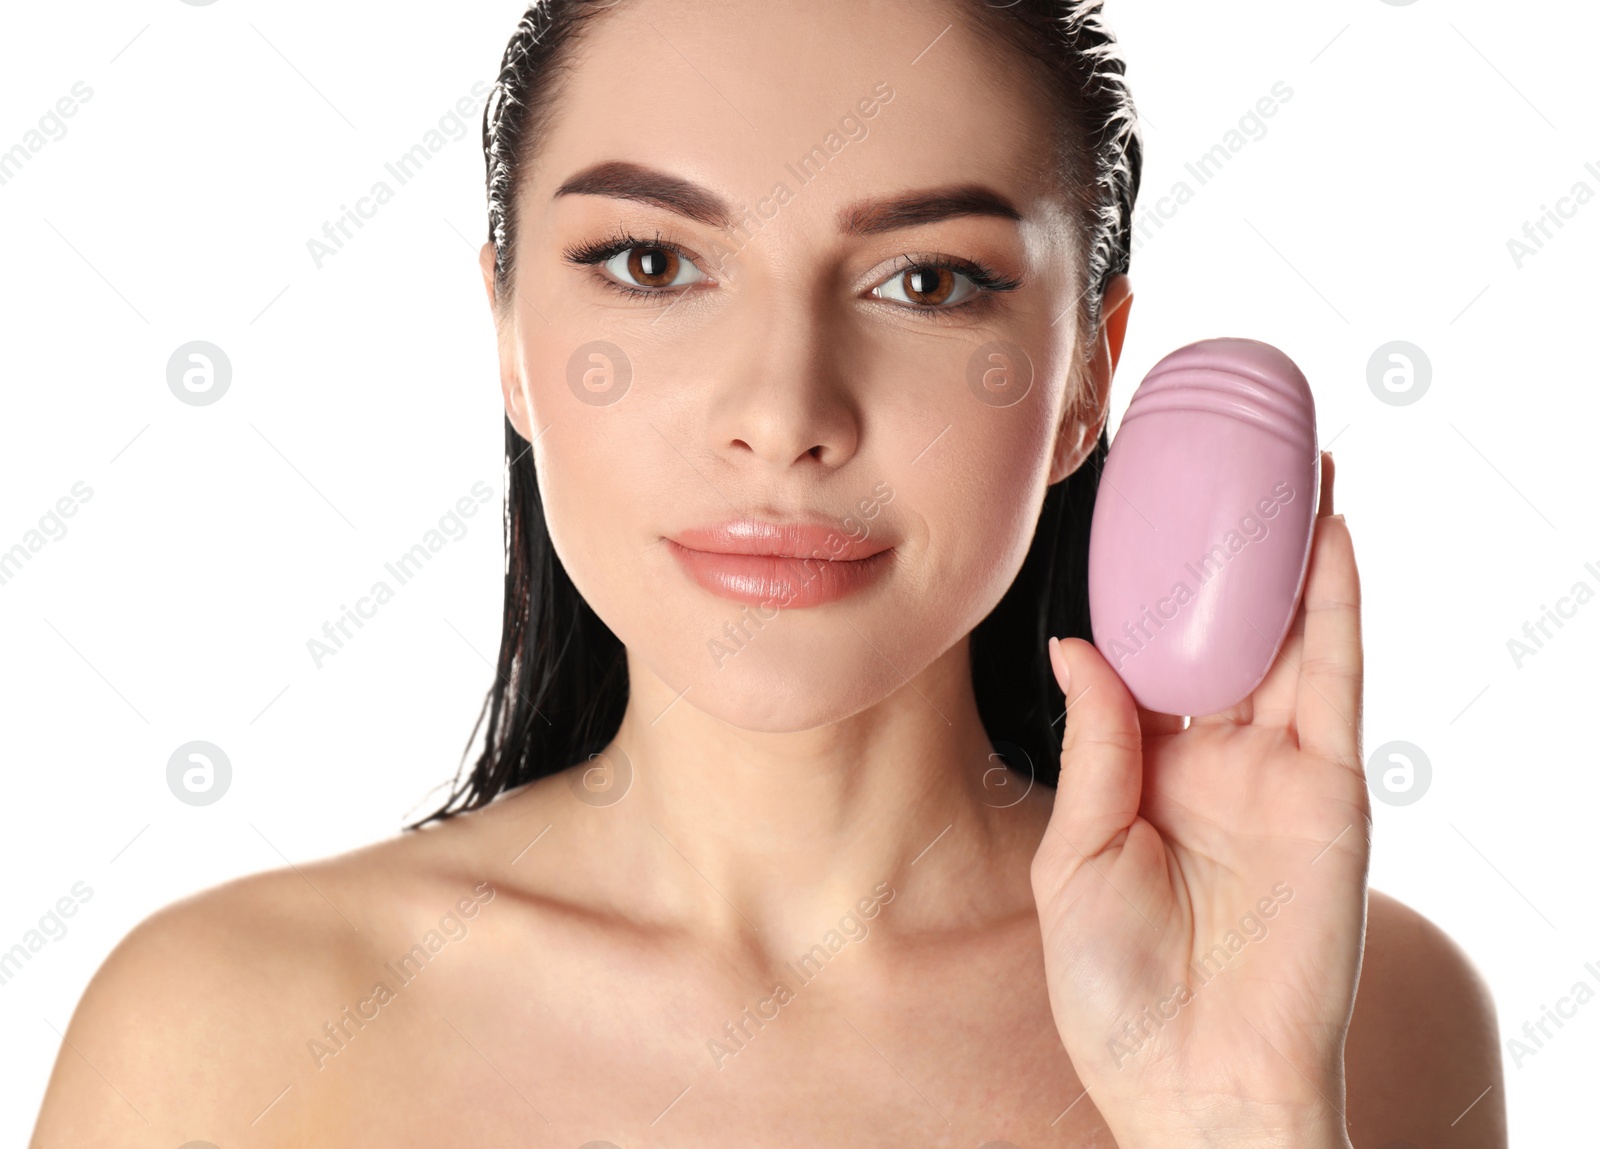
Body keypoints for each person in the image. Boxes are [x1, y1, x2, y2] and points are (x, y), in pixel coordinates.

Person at [33, 1, 1505, 1145]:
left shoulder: (1366, 1014)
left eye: (929, 280)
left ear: (1087, 378)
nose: (788, 412)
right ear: (506, 335)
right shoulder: (217, 1029)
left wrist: (1236, 1123)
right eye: (652, 264)